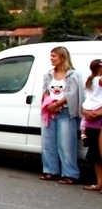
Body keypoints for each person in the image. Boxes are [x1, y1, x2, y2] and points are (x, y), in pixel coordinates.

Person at [38, 45, 83, 184]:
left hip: (65, 111)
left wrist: (58, 104)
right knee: (48, 143)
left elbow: (72, 93)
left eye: (53, 56)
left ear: (62, 57)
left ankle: (70, 174)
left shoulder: (73, 75)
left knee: (66, 144)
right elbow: (45, 91)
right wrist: (48, 104)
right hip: (49, 112)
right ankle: (50, 171)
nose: (51, 59)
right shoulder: (49, 74)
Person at [81, 59, 102, 192]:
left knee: (96, 153)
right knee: (96, 153)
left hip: (91, 118)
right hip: (95, 118)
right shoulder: (97, 80)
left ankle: (100, 182)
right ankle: (100, 183)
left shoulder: (90, 80)